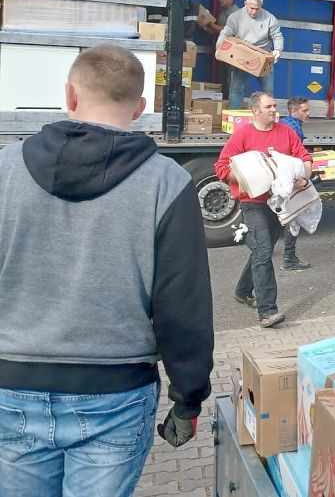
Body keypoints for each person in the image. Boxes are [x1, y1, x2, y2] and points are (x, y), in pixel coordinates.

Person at [0, 45, 214, 496]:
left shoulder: (5, 170)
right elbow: (183, 304)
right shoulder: (167, 183)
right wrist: (188, 398)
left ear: (69, 96)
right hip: (115, 394)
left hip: (11, 385)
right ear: (139, 108)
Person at [215, 91, 312, 328]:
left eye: (275, 106)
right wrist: (248, 175)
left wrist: (304, 179)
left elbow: (305, 158)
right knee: (263, 249)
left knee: (262, 251)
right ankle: (268, 311)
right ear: (255, 111)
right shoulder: (242, 136)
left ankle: (242, 290)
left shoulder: (286, 132)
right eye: (268, 106)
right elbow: (221, 168)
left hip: (280, 203)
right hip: (253, 203)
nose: (273, 110)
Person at [216, 0, 284, 109]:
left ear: (261, 6)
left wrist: (278, 49)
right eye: (251, 8)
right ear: (245, 4)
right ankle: (234, 119)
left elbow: (277, 35)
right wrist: (219, 48)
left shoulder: (270, 18)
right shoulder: (235, 17)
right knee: (236, 89)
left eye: (257, 9)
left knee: (268, 90)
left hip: (263, 57)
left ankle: (268, 115)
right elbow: (226, 33)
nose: (254, 11)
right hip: (243, 55)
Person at [279, 97, 313, 271]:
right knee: (294, 217)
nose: (308, 113)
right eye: (305, 110)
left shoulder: (283, 123)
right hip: (289, 178)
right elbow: (296, 157)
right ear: (294, 111)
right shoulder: (294, 130)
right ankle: (288, 258)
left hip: (277, 176)